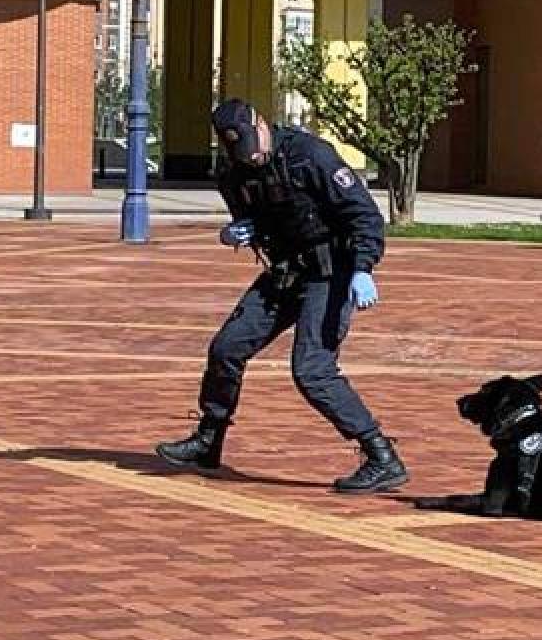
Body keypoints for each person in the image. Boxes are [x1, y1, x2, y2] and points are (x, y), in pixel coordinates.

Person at [155, 98, 408, 494]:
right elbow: (252, 216)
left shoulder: (310, 156)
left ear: (261, 124)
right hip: (286, 272)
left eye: (252, 148)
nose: (250, 158)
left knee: (312, 368)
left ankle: (380, 456)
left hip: (332, 272)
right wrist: (239, 231)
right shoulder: (233, 171)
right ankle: (209, 439)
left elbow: (364, 215)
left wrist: (363, 269)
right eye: (240, 153)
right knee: (227, 348)